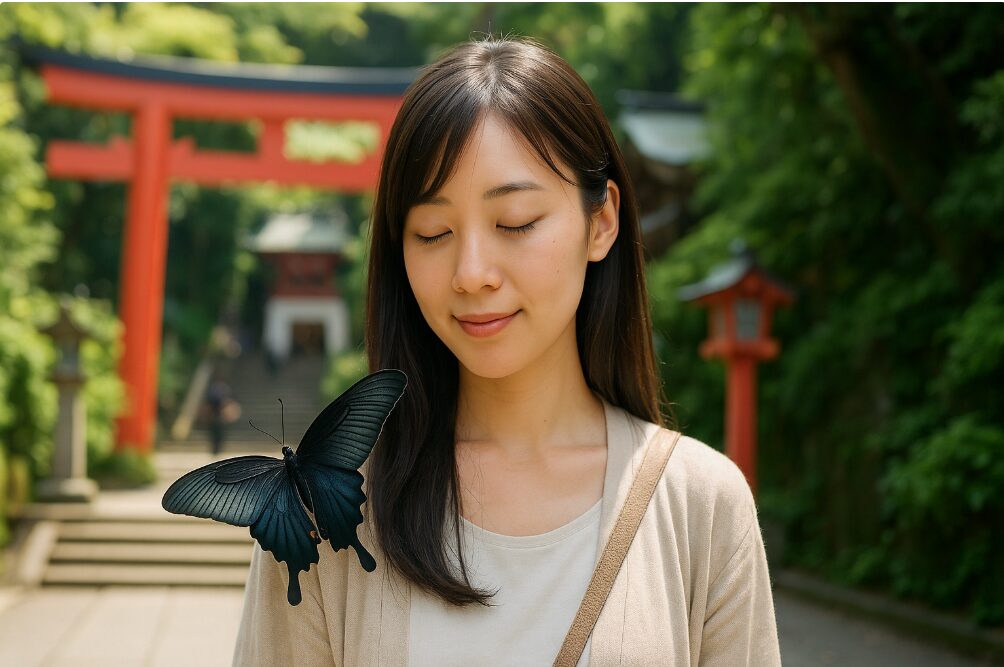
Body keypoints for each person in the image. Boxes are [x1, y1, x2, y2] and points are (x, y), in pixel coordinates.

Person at [233, 34, 781, 666]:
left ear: (601, 222)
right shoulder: (321, 515)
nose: (472, 273)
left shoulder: (700, 504)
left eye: (516, 222)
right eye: (432, 232)